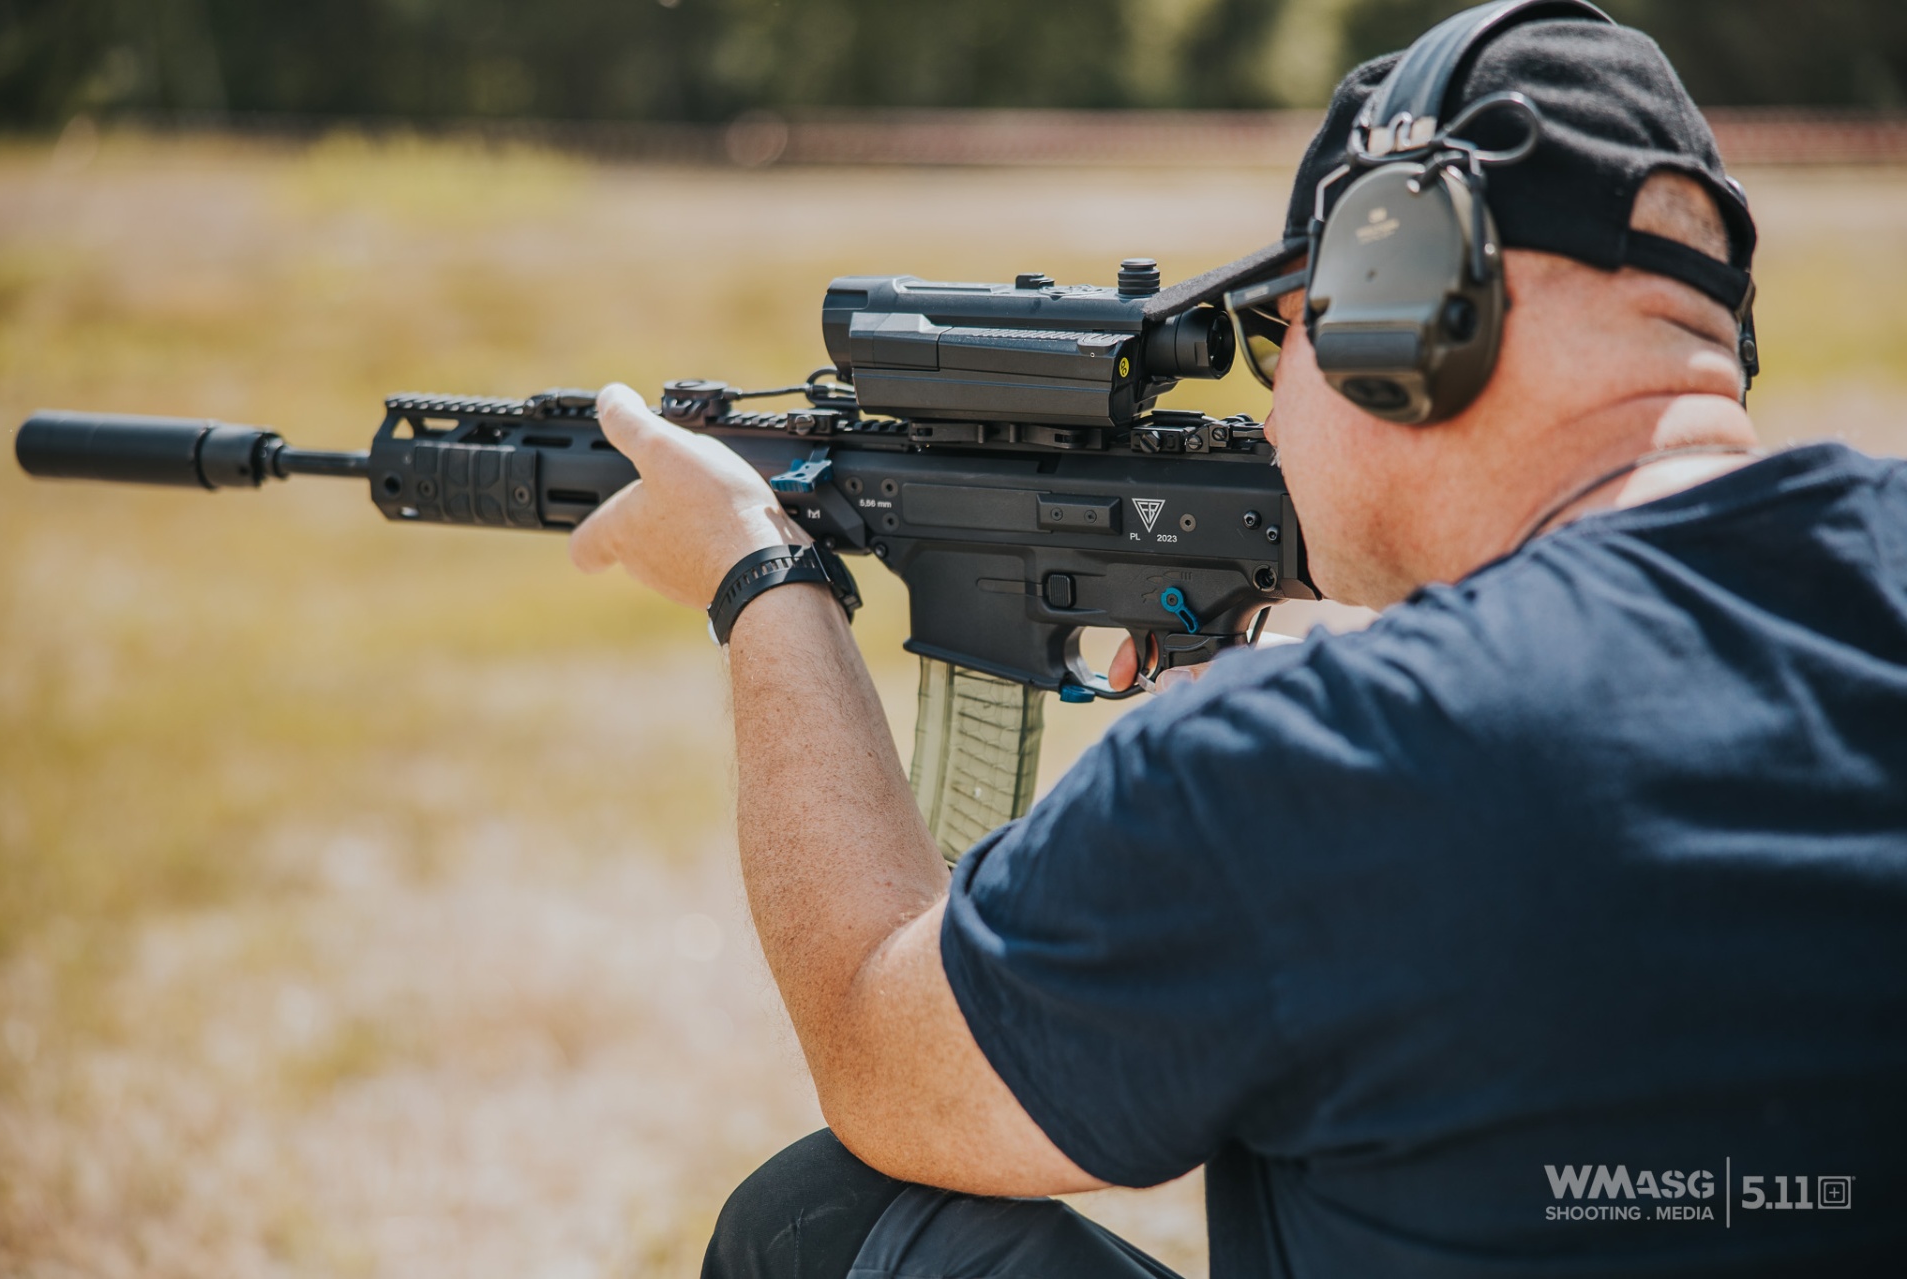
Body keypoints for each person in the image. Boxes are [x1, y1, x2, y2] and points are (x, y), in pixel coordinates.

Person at [568, 6, 1907, 1276]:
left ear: (1404, 299)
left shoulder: (1313, 770)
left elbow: (878, 1052)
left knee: (815, 1225)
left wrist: (760, 576)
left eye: (1284, 339)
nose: (1272, 413)